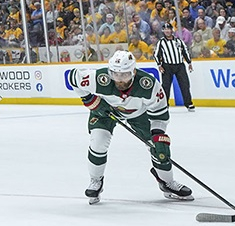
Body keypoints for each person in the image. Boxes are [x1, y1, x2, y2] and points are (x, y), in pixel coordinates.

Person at [81, 50, 191, 203]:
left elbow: (159, 113)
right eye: (115, 74)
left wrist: (157, 134)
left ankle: (167, 182)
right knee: (98, 142)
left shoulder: (149, 85)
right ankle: (96, 181)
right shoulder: (100, 78)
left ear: (133, 71)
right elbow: (74, 79)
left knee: (159, 146)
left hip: (138, 115)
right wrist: (91, 101)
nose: (119, 80)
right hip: (105, 112)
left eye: (124, 75)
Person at [155, 32, 195, 109]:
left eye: (168, 29)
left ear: (171, 30)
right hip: (167, 66)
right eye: (165, 29)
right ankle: (165, 104)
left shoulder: (178, 41)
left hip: (180, 65)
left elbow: (185, 51)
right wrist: (159, 65)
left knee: (185, 84)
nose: (167, 31)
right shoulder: (161, 42)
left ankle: (188, 103)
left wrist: (189, 62)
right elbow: (156, 54)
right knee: (166, 86)